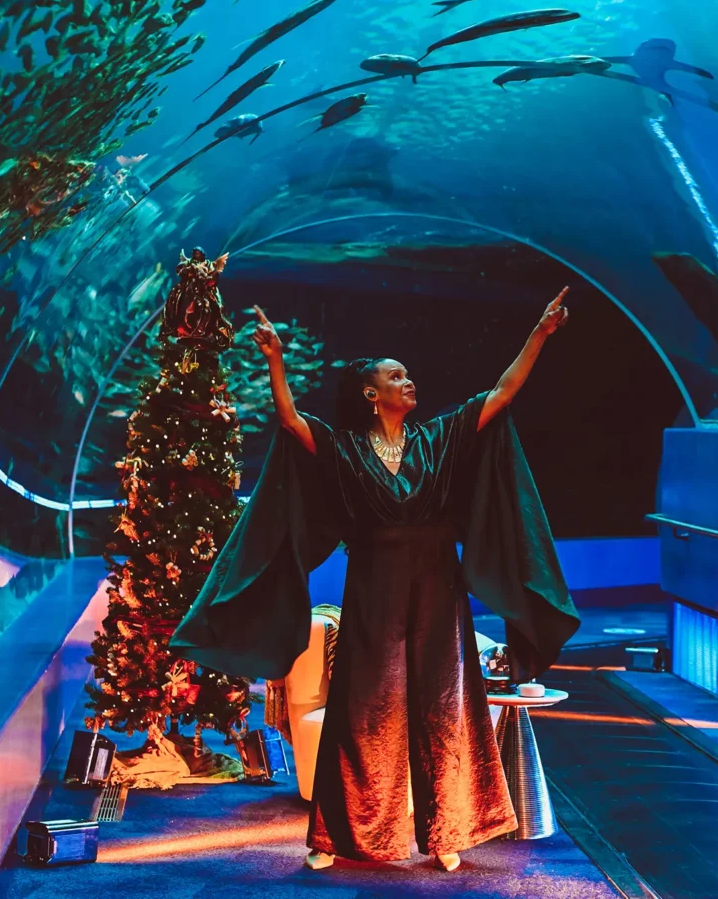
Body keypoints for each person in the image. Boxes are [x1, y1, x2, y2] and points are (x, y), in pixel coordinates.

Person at [171, 288, 582, 873]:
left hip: (438, 586)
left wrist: (539, 332)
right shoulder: (342, 450)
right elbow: (289, 420)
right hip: (373, 589)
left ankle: (446, 832)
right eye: (396, 376)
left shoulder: (439, 437)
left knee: (444, 705)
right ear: (371, 394)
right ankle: (332, 837)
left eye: (408, 374)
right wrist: (275, 360)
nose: (409, 382)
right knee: (363, 709)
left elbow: (503, 391)